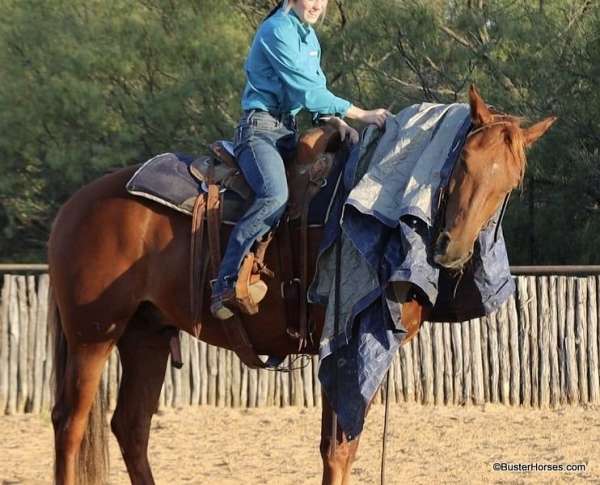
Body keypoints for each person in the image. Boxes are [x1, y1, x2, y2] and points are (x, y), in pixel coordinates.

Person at [210, 0, 391, 319]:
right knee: (275, 196)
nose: (318, 5)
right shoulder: (276, 30)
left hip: (287, 133)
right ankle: (224, 282)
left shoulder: (309, 37)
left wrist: (336, 121)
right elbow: (307, 91)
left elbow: (316, 95)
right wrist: (362, 114)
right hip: (259, 133)